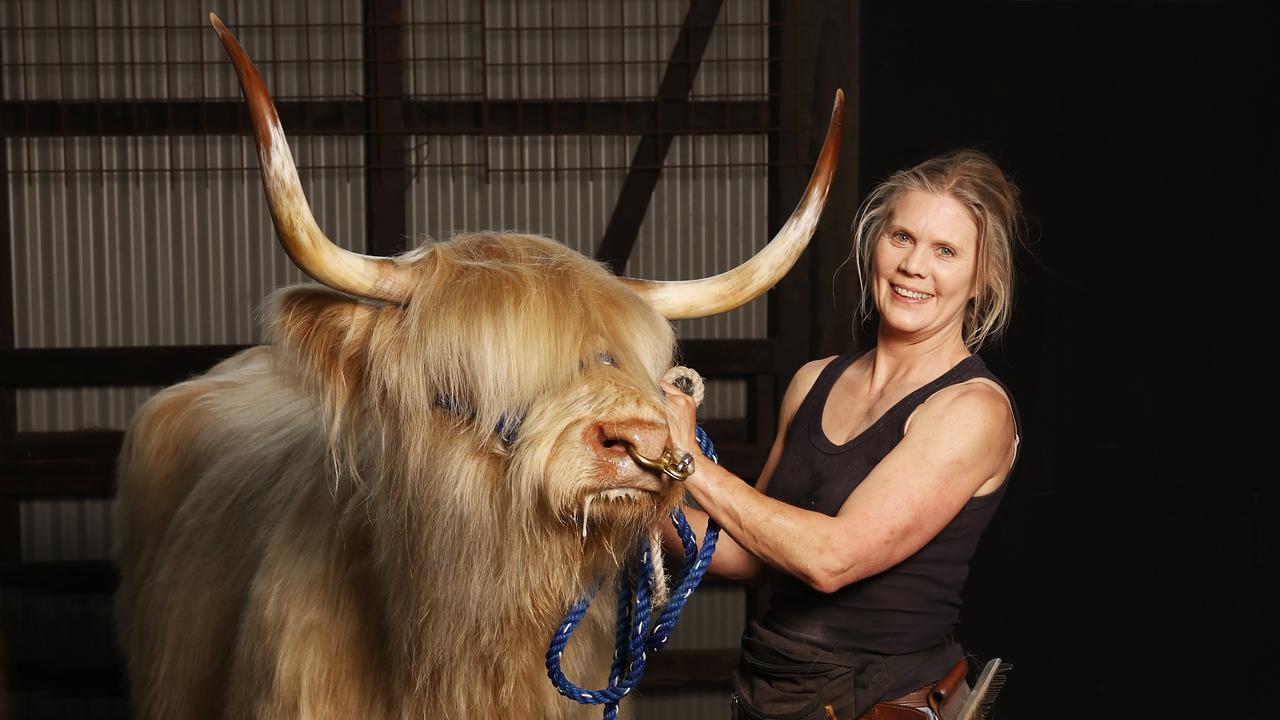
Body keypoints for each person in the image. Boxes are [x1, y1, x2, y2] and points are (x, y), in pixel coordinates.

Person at [662, 149, 1023, 720]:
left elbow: (830, 559)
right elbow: (748, 551)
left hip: (879, 699)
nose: (913, 265)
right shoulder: (813, 382)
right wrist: (634, 486)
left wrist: (686, 463)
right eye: (901, 237)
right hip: (769, 690)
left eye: (945, 251)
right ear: (874, 245)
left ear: (981, 280)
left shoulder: (972, 410)